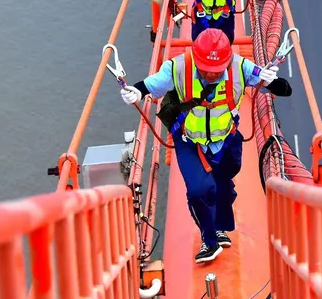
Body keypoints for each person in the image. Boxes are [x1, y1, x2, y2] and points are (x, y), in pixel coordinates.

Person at [119, 28, 292, 264]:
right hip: (189, 140)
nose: (211, 75)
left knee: (223, 187)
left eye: (216, 70)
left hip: (226, 140)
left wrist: (272, 80)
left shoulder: (240, 67)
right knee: (199, 191)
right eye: (205, 69)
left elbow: (284, 89)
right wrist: (136, 92)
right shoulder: (178, 67)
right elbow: (151, 85)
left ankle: (219, 227)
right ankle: (209, 240)